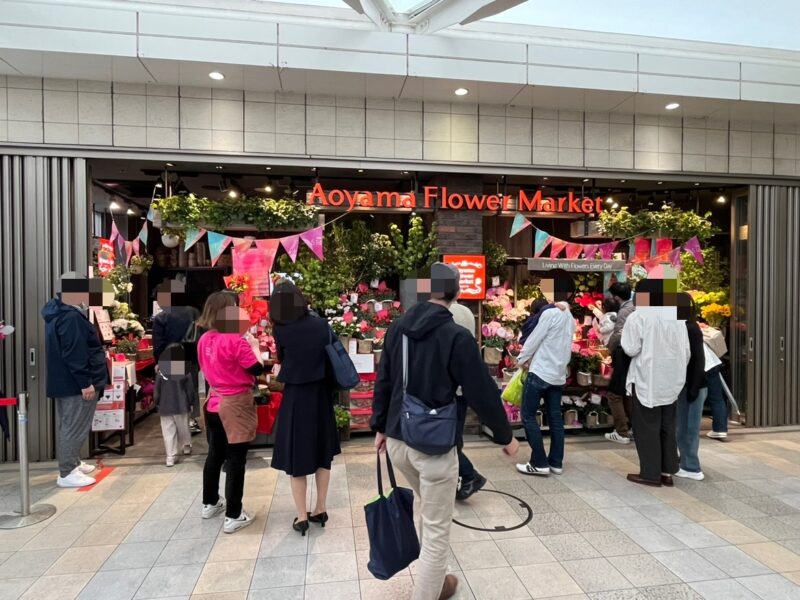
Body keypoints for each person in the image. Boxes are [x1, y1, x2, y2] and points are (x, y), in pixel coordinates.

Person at [372, 263, 518, 600]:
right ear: (456, 293)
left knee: (428, 507)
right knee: (438, 530)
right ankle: (429, 591)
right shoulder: (456, 335)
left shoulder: (398, 328)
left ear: (426, 289)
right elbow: (481, 390)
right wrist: (505, 436)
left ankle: (439, 581)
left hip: (397, 439)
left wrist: (380, 424)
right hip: (433, 445)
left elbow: (385, 379)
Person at [270, 281, 341, 536]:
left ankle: (301, 516)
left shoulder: (281, 330)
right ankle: (320, 508)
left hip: (296, 397)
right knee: (323, 453)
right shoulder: (321, 325)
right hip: (320, 395)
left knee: (297, 457)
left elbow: (282, 360)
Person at [197, 291, 264, 534]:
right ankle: (234, 514)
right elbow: (256, 368)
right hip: (235, 403)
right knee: (236, 460)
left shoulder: (205, 339)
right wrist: (254, 346)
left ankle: (210, 502)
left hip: (213, 400)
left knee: (215, 454)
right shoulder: (236, 341)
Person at [42, 272, 113, 488]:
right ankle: (67, 472)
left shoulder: (59, 313)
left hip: (66, 382)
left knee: (69, 424)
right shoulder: (70, 317)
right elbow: (75, 353)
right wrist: (85, 382)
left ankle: (72, 462)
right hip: (75, 384)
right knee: (74, 426)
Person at [622, 277, 691, 487]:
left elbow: (630, 348)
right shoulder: (677, 317)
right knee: (667, 426)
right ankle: (667, 471)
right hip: (672, 381)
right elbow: (686, 351)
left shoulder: (639, 316)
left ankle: (650, 474)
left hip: (647, 379)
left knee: (647, 427)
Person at [515, 269, 576, 477]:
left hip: (540, 372)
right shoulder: (569, 316)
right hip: (558, 375)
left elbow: (533, 340)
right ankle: (556, 462)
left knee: (528, 415)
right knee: (555, 418)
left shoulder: (550, 314)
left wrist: (521, 360)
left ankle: (539, 462)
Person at [153, 280, 202, 434]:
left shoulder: (161, 317)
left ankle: (175, 422)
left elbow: (158, 342)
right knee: (191, 388)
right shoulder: (193, 312)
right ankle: (191, 419)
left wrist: (158, 360)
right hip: (191, 356)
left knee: (173, 391)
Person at [448, 300, 486, 501]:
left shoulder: (444, 313)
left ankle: (470, 475)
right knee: (454, 438)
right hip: (462, 386)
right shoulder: (466, 313)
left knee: (448, 441)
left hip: (448, 388)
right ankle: (459, 478)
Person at [675, 297, 709, 481]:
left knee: (688, 428)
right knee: (682, 427)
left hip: (693, 384)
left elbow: (698, 359)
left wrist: (693, 387)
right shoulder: (684, 327)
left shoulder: (691, 328)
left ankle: (691, 467)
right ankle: (685, 462)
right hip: (686, 384)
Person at [155, 344, 196, 467]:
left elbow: (157, 391)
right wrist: (192, 402)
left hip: (165, 406)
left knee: (168, 432)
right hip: (182, 405)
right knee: (183, 427)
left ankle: (170, 456)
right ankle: (186, 446)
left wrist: (157, 402)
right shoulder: (185, 371)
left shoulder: (161, 372)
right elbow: (190, 390)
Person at [605, 282, 636, 444]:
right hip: (633, 355)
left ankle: (621, 432)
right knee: (627, 393)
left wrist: (608, 349)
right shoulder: (635, 307)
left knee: (614, 394)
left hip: (623, 354)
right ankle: (635, 429)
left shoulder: (624, 311)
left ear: (616, 297)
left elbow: (618, 334)